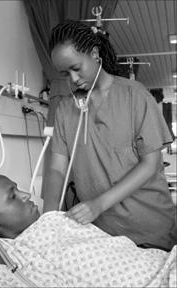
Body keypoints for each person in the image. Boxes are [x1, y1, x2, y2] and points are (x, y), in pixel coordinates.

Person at [42, 19, 176, 251]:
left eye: (76, 68)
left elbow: (150, 164)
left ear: (94, 54)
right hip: (101, 233)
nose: (73, 79)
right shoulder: (66, 108)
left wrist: (98, 204)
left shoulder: (135, 96)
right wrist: (47, 220)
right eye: (65, 73)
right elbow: (56, 169)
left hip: (148, 228)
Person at [0, 173, 176, 287]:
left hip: (164, 265)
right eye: (13, 196)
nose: (27, 195)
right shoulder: (7, 257)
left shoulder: (54, 219)